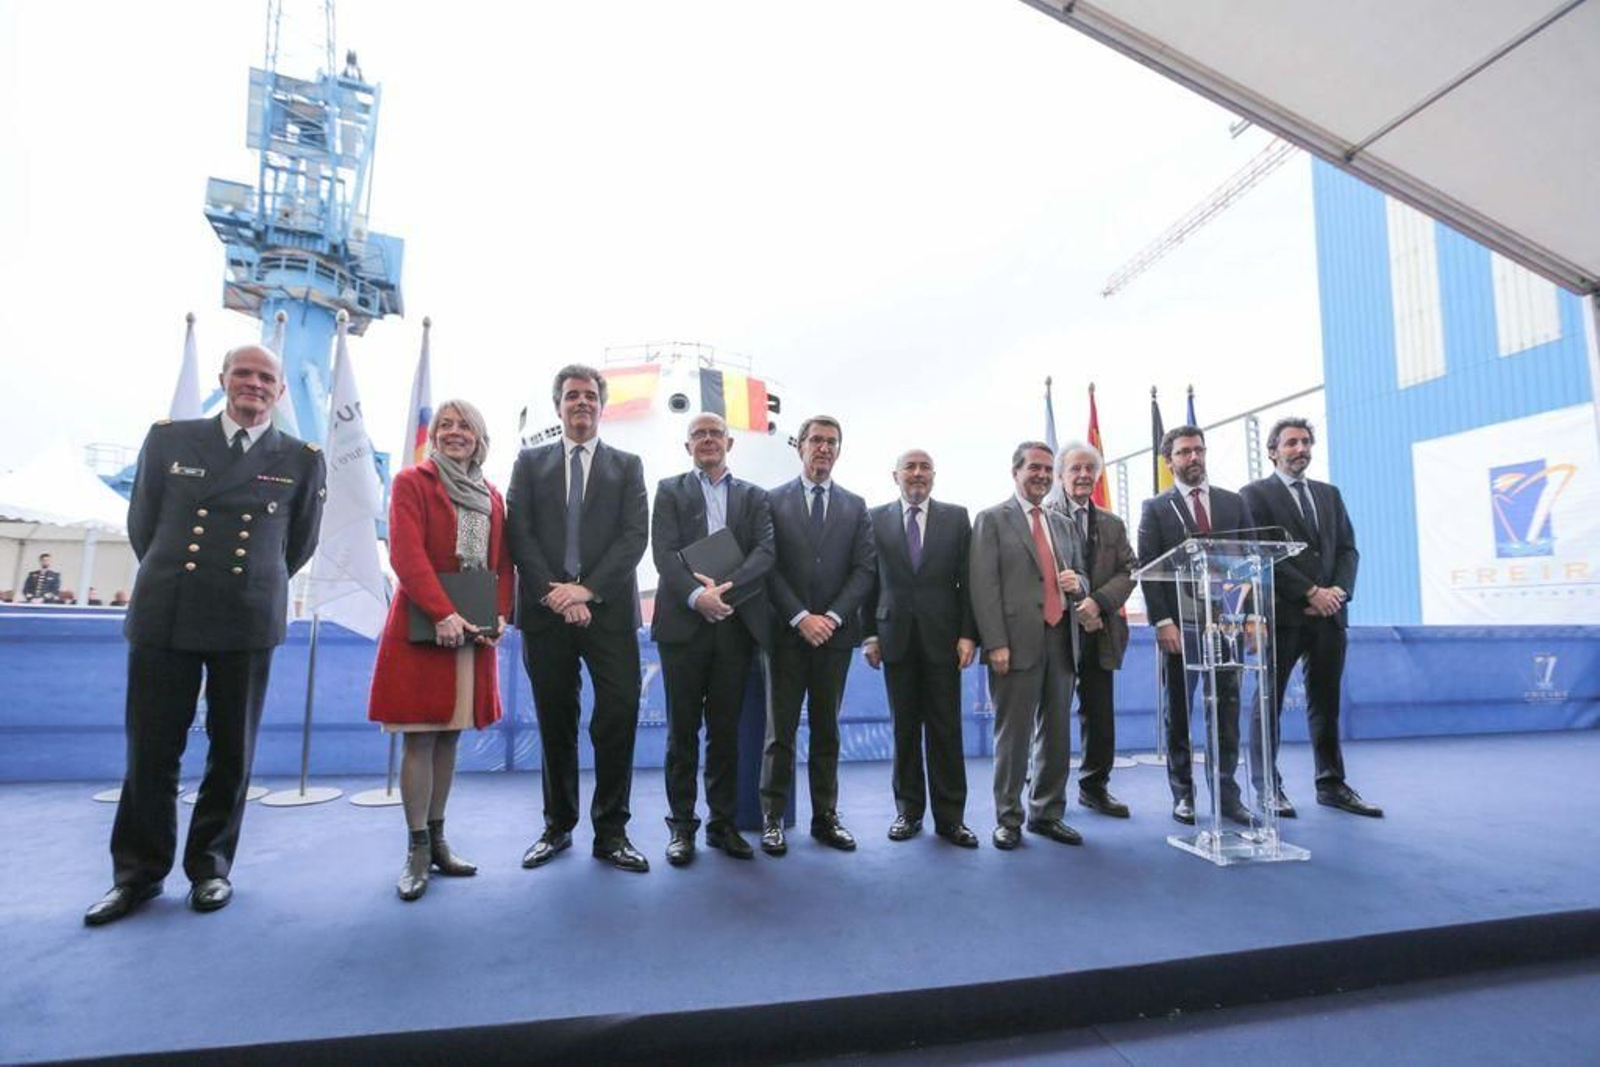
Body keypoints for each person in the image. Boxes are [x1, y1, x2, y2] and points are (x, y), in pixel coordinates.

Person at [85, 344, 325, 926]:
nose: (254, 384)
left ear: (281, 392)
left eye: (266, 378)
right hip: (167, 609)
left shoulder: (300, 458)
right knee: (151, 748)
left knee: (231, 750)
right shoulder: (170, 440)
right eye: (243, 374)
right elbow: (143, 524)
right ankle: (137, 875)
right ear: (223, 380)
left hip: (245, 614)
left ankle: (211, 867)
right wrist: (177, 575)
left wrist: (248, 584)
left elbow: (299, 544)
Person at [368, 400, 514, 901]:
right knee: (420, 738)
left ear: (479, 436)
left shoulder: (492, 496)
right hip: (423, 629)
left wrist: (499, 614)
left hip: (472, 633)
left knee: (450, 736)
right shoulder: (412, 482)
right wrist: (440, 613)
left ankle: (438, 839)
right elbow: (406, 555)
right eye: (446, 426)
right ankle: (415, 848)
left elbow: (502, 563)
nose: (455, 433)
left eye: (465, 426)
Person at [508, 364, 651, 873]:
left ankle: (612, 831)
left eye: (590, 395)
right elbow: (518, 532)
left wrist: (586, 592)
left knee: (617, 717)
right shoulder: (528, 464)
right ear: (559, 405)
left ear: (601, 405)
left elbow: (635, 537)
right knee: (555, 720)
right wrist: (558, 596)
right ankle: (557, 825)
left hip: (608, 616)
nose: (582, 403)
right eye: (572, 395)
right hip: (546, 615)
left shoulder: (628, 466)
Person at [1240, 417, 1382, 818]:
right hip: (1283, 615)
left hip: (1330, 617)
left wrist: (1338, 592)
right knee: (1266, 704)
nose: (1300, 449)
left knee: (1326, 702)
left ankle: (1332, 784)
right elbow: (1258, 553)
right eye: (1290, 443)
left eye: (1305, 442)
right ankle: (1268, 787)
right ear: (1273, 451)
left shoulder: (1329, 494)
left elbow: (1347, 550)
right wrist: (1309, 592)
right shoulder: (1253, 495)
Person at [650, 412, 775, 866]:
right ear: (687, 447)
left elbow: (765, 552)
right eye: (698, 434)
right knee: (682, 733)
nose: (707, 440)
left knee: (725, 733)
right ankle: (681, 828)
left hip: (733, 627)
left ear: (729, 444)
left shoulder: (755, 497)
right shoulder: (669, 491)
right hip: (682, 629)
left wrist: (724, 592)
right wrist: (696, 596)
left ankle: (723, 825)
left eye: (715, 433)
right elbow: (662, 553)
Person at [760, 415, 876, 855]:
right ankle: (773, 820)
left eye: (831, 442)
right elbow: (767, 565)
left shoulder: (855, 505)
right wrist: (798, 617)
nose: (823, 448)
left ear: (839, 450)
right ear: (800, 447)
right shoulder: (771, 501)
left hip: (834, 638)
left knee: (827, 732)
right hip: (786, 637)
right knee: (780, 734)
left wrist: (830, 617)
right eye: (816, 441)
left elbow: (865, 569)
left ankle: (826, 818)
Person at [969, 441, 1086, 850]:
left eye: (1047, 469)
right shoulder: (991, 520)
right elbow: (984, 588)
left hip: (1061, 639)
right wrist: (995, 643)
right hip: (1014, 645)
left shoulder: (1064, 523)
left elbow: (1079, 578)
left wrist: (1079, 584)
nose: (1041, 475)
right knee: (1013, 737)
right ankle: (1008, 818)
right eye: (1033, 467)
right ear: (1015, 471)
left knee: (1056, 735)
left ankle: (1047, 814)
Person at [1135, 425, 1254, 827]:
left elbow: (1248, 561)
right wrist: (1162, 621)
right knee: (1180, 713)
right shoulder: (1155, 508)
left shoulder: (1232, 502)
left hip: (1227, 624)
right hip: (1179, 628)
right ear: (1170, 462)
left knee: (1227, 710)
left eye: (1198, 450)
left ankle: (1227, 793)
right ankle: (1183, 794)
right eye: (1184, 452)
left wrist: (1249, 615)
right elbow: (1148, 569)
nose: (1194, 458)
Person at [861, 449, 979, 847]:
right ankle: (908, 812)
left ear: (934, 475)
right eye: (909, 467)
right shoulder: (874, 518)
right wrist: (870, 635)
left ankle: (951, 819)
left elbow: (968, 582)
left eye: (924, 467)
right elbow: (867, 582)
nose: (917, 473)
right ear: (894, 474)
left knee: (946, 730)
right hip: (894, 639)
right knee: (904, 730)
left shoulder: (956, 517)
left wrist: (968, 634)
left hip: (944, 640)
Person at [1051, 442, 1138, 819]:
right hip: (1054, 631)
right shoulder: (1043, 517)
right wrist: (1076, 608)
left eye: (1090, 468)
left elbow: (1130, 570)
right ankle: (1043, 790)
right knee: (1049, 714)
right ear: (1060, 475)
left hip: (1100, 630)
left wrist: (1098, 602)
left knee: (1100, 715)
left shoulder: (1112, 523)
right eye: (1075, 469)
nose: (1083, 475)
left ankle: (1095, 787)